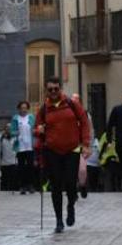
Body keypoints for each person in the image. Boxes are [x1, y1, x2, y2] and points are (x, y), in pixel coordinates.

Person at [34, 78, 91, 234]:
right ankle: (59, 220)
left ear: (60, 89)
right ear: (46, 91)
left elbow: (84, 122)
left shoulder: (72, 104)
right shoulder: (44, 109)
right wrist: (39, 131)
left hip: (72, 150)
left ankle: (71, 205)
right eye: (50, 89)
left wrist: (86, 143)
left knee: (71, 183)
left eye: (56, 89)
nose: (53, 92)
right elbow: (36, 129)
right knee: (56, 187)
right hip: (52, 151)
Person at [10, 101, 37, 195]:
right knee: (21, 167)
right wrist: (16, 133)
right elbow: (12, 131)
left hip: (30, 145)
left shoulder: (31, 117)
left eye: (25, 108)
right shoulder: (15, 118)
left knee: (30, 166)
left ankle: (31, 185)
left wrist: (35, 131)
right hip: (20, 146)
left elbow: (35, 129)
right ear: (19, 109)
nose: (23, 110)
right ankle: (22, 186)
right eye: (22, 108)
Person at [0, 125, 18, 191]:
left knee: (14, 178)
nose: (8, 130)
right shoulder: (1, 138)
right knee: (4, 178)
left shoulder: (15, 138)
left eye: (10, 129)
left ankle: (13, 189)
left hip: (14, 161)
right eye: (7, 129)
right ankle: (4, 190)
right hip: (4, 162)